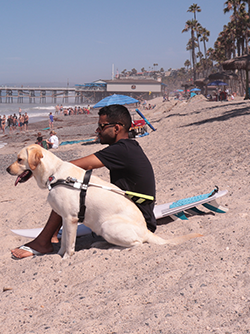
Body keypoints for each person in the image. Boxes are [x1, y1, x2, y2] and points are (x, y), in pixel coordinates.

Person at [11, 104, 156, 259]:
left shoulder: (122, 150)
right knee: (69, 190)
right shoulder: (127, 147)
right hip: (130, 211)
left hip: (134, 221)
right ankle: (50, 236)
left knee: (65, 190)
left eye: (101, 126)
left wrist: (39, 165)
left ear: (117, 128)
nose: (97, 130)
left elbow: (76, 166)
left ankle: (43, 241)